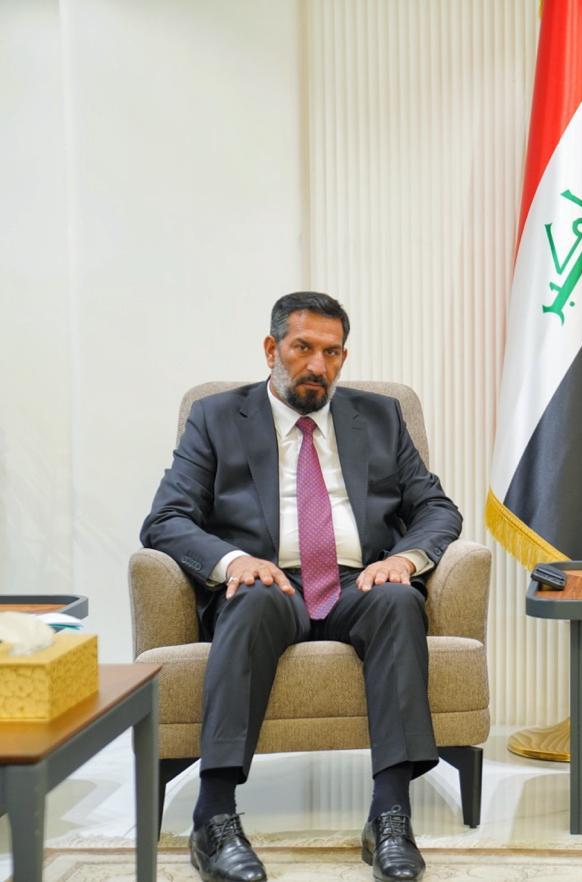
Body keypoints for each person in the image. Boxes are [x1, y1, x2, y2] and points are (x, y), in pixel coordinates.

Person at [141, 291, 462, 882]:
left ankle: (390, 816)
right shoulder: (217, 417)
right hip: (267, 581)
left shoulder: (380, 416)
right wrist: (233, 561)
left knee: (398, 601)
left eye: (331, 352)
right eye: (303, 348)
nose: (318, 365)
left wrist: (405, 559)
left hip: (357, 581)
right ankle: (214, 817)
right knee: (250, 600)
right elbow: (166, 518)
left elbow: (436, 508)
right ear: (272, 349)